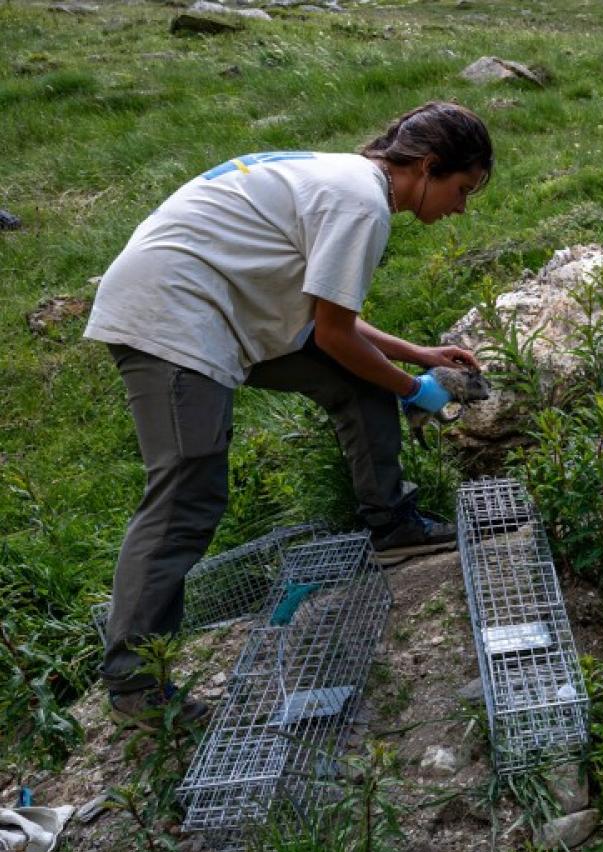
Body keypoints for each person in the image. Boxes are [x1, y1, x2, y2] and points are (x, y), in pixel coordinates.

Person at [83, 101, 493, 728]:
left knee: (356, 385)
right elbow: (332, 332)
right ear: (430, 167)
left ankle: (392, 525)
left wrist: (412, 354)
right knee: (187, 490)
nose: (462, 207)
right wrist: (417, 388)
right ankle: (135, 682)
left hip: (221, 304)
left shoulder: (345, 179)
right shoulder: (362, 202)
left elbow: (330, 319)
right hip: (172, 316)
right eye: (463, 189)